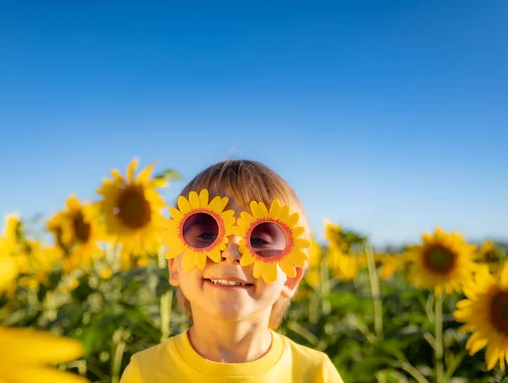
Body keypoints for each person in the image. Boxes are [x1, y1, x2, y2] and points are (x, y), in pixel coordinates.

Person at [120, 160, 344, 383]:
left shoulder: (315, 373)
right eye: (206, 232)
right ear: (174, 266)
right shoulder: (146, 372)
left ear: (291, 277)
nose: (230, 252)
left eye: (259, 239)